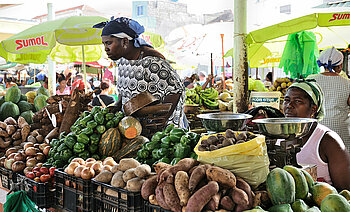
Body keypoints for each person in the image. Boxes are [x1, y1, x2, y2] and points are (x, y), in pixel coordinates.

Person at [94, 17, 187, 128]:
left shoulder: (151, 62)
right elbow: (124, 92)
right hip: (134, 130)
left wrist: (162, 119)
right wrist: (117, 105)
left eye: (109, 43)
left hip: (157, 133)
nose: (106, 48)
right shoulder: (122, 62)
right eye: (104, 44)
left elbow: (176, 90)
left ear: (124, 41)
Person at [283, 79, 350, 190]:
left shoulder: (328, 141)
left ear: (314, 108)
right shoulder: (279, 136)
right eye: (286, 100)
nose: (289, 105)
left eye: (298, 101)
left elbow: (346, 190)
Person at [307, 47, 350, 153]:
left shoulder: (310, 80)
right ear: (340, 65)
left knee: (317, 156)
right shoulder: (347, 83)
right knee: (340, 157)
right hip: (339, 130)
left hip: (316, 128)